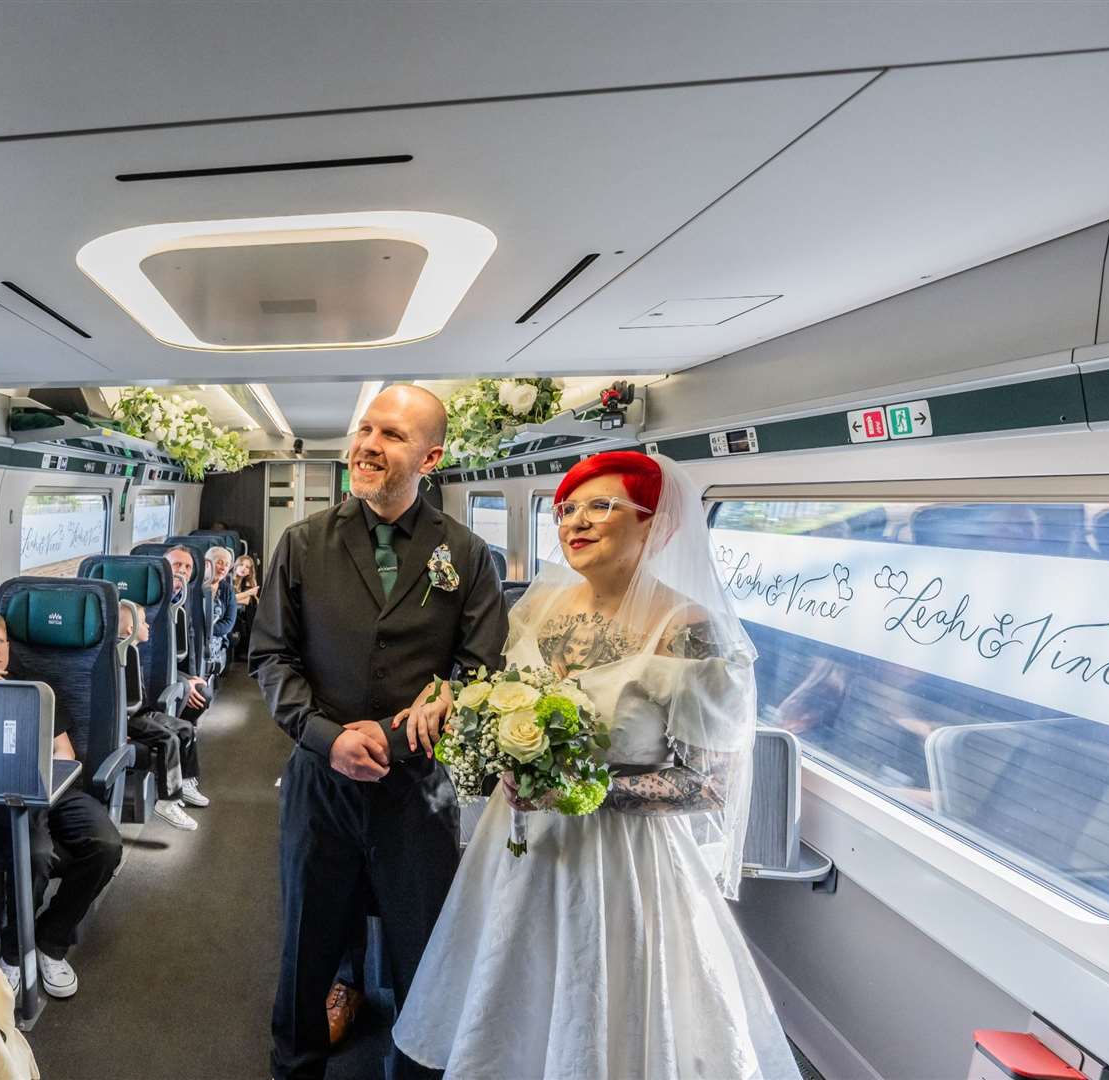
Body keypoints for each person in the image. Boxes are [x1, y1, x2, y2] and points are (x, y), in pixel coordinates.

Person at [393, 451, 795, 1078]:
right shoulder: (531, 610)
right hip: (517, 846)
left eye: (601, 506)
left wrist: (574, 787)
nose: (575, 522)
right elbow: (492, 693)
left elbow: (709, 785)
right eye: (566, 509)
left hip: (622, 863)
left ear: (655, 526)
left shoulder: (688, 632)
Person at [249, 384, 509, 1080]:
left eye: (391, 434)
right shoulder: (302, 543)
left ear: (431, 456)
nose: (367, 443)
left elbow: (481, 668)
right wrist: (326, 735)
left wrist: (393, 741)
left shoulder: (468, 553)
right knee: (304, 953)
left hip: (417, 789)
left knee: (423, 955)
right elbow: (270, 656)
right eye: (365, 428)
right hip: (320, 779)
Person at [0, 610, 123, 999]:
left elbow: (64, 751)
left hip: (54, 790)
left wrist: (41, 781)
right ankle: (13, 953)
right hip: (1, 800)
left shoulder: (36, 688)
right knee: (35, 853)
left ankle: (50, 942)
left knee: (106, 846)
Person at [118, 600, 201, 831]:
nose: (148, 627)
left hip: (144, 712)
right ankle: (168, 800)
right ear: (129, 629)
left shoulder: (132, 651)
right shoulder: (120, 654)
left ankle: (185, 782)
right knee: (169, 739)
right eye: (143, 623)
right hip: (129, 720)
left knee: (186, 729)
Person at [162, 545, 213, 808]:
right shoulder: (143, 605)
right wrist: (182, 682)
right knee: (188, 697)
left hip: (174, 673)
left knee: (201, 695)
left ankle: (182, 773)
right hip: (150, 680)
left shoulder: (185, 600)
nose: (182, 571)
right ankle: (181, 778)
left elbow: (189, 645)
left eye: (187, 567)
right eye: (176, 565)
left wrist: (191, 678)